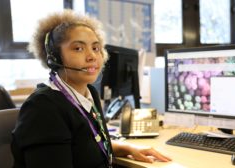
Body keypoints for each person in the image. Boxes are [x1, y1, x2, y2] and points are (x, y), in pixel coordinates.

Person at [11, 9, 171, 168]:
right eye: (78, 48)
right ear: (54, 57)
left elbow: (86, 145)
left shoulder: (89, 94)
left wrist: (127, 148)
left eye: (95, 48)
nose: (92, 56)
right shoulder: (43, 108)